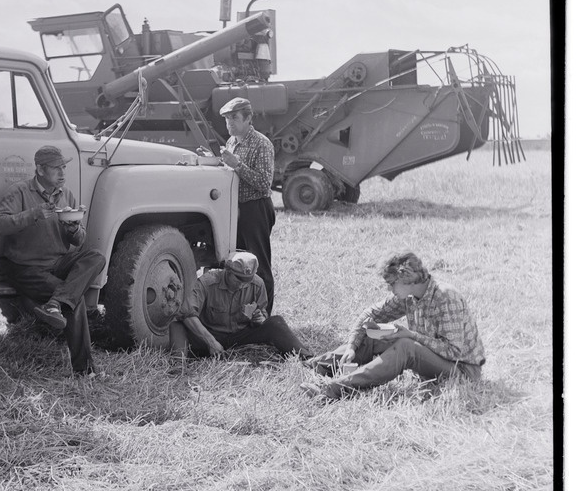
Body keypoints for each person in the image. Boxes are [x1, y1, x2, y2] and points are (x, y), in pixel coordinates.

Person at [302, 251, 486, 400]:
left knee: (406, 347)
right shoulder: (409, 295)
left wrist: (411, 336)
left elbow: (453, 351)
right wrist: (352, 345)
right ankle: (316, 365)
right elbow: (370, 314)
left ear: (407, 278)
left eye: (391, 284)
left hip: (462, 370)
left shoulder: (445, 297)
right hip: (440, 359)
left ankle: (334, 389)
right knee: (375, 335)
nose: (389, 289)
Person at [0, 145, 106, 377]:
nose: (62, 173)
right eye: (56, 168)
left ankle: (55, 303)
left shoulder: (67, 195)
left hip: (58, 263)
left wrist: (73, 230)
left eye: (64, 167)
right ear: (40, 169)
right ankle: (84, 370)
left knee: (97, 257)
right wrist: (33, 214)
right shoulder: (20, 192)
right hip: (27, 268)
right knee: (75, 300)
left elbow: (79, 241)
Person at [169, 251, 312, 360]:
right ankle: (178, 366)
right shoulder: (207, 282)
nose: (243, 284)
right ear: (227, 271)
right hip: (211, 335)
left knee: (276, 322)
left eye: (247, 280)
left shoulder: (257, 284)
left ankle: (307, 358)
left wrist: (259, 319)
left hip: (240, 336)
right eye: (239, 279)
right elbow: (187, 314)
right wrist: (211, 342)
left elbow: (263, 314)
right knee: (177, 325)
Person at [218, 97, 276, 314]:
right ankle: (243, 313)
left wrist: (237, 165)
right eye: (226, 119)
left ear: (249, 118)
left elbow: (263, 183)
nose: (229, 123)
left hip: (256, 208)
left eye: (234, 117)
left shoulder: (261, 143)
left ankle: (265, 315)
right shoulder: (232, 142)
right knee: (239, 263)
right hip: (237, 209)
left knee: (259, 265)